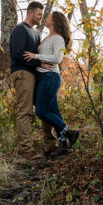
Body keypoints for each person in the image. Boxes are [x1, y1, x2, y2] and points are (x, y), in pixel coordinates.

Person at [25, 10, 79, 157]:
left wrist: (36, 56)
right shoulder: (47, 37)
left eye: (49, 17)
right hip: (43, 76)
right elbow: (45, 59)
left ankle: (67, 131)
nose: (46, 17)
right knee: (54, 112)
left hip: (50, 77)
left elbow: (57, 58)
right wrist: (40, 62)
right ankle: (63, 146)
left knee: (41, 111)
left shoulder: (58, 39)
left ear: (55, 21)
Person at [9, 1, 52, 161]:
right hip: (22, 73)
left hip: (35, 74)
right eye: (39, 14)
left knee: (44, 108)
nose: (41, 18)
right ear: (31, 12)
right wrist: (39, 63)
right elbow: (18, 54)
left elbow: (36, 55)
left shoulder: (36, 33)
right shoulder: (20, 29)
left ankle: (50, 145)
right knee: (25, 111)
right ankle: (27, 150)